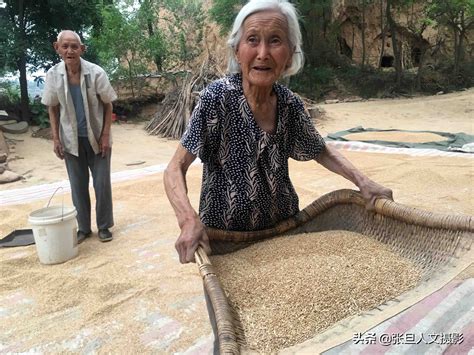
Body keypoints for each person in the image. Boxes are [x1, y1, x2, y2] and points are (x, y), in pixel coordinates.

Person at [164, 0, 393, 265]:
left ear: (290, 54)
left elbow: (320, 150)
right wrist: (188, 219)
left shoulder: (289, 104)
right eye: (252, 40)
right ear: (237, 51)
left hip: (283, 234)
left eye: (275, 41)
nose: (262, 53)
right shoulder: (217, 99)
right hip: (225, 238)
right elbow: (174, 168)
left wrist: (363, 182)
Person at [41, 30, 117, 243]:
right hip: (70, 139)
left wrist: (105, 135)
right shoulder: (53, 75)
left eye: (75, 46)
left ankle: (104, 226)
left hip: (97, 136)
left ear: (82, 49)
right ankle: (84, 228)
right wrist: (56, 138)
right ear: (57, 48)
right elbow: (53, 109)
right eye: (65, 46)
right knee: (77, 185)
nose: (70, 50)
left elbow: (108, 103)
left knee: (102, 184)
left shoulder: (95, 73)